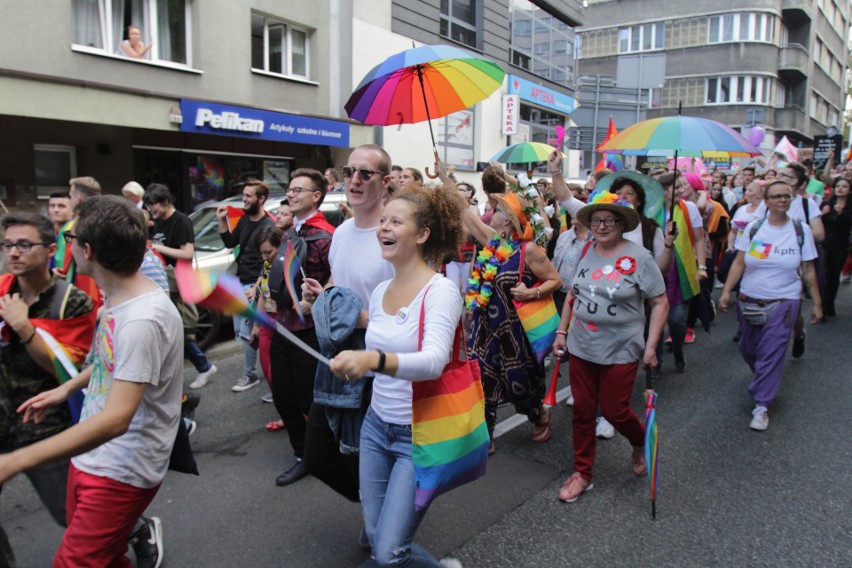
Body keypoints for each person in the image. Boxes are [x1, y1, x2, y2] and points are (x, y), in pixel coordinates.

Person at [0, 196, 183, 566]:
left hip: (123, 468)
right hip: (92, 458)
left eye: (69, 238)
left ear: (87, 250)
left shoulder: (142, 319)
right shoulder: (118, 296)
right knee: (109, 558)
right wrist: (68, 386)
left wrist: (15, 461)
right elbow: (109, 363)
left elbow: (117, 419)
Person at [329, 183, 465, 568]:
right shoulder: (381, 290)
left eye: (395, 221)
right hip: (376, 425)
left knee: (388, 552)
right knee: (375, 536)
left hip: (418, 435)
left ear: (422, 235)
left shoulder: (440, 291)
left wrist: (371, 360)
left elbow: (433, 361)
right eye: (383, 220)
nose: (383, 228)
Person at [552, 191, 668, 503]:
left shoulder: (640, 258)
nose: (602, 226)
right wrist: (562, 331)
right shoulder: (587, 249)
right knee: (583, 412)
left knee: (616, 412)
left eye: (609, 220)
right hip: (581, 346)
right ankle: (583, 473)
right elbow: (574, 295)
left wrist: (652, 346)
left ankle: (639, 439)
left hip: (621, 349)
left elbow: (659, 302)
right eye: (597, 220)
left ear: (621, 224)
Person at [301, 144, 395, 510]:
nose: (354, 180)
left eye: (365, 174)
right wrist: (320, 298)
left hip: (377, 363)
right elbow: (338, 286)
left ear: (385, 182)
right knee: (318, 456)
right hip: (337, 356)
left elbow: (414, 313)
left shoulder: (396, 236)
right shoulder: (340, 233)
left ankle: (383, 518)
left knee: (366, 456)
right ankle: (379, 507)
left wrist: (361, 319)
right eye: (349, 172)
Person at [0, 213, 97, 567]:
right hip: (1, 419)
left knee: (69, 515)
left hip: (45, 425)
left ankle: (136, 530)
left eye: (24, 244)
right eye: (8, 244)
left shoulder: (72, 302)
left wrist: (24, 327)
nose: (13, 253)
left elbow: (65, 371)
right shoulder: (1, 289)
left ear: (49, 249)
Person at [460, 184, 562, 451]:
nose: (489, 213)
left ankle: (538, 414)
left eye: (496, 210)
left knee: (522, 386)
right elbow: (466, 215)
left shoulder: (528, 250)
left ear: (508, 219)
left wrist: (532, 291)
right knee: (483, 380)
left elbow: (556, 281)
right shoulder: (493, 242)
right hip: (486, 329)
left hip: (516, 332)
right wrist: (447, 180)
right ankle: (487, 435)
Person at [719, 181, 822, 431]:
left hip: (785, 301)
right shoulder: (754, 228)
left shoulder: (801, 230)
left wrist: (817, 303)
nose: (782, 200)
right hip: (749, 299)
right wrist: (725, 292)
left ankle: (762, 405)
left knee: (771, 353)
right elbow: (740, 263)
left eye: (786, 196)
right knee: (749, 349)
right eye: (776, 197)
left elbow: (808, 270)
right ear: (766, 201)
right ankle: (765, 378)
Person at [269, 169, 334, 487]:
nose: (291, 194)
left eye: (298, 190)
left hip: (309, 330)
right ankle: (302, 454)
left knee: (308, 397)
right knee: (282, 394)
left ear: (316, 196)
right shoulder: (288, 232)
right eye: (290, 189)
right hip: (282, 325)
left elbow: (339, 280)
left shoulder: (326, 236)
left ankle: (319, 453)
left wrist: (317, 300)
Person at [145, 183, 218, 390]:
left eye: (154, 205)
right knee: (171, 331)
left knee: (181, 331)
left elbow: (186, 254)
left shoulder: (181, 221)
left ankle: (204, 367)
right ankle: (202, 367)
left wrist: (157, 246)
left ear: (166, 202)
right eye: (149, 206)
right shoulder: (159, 221)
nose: (152, 209)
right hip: (165, 281)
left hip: (179, 281)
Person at [756, 162, 825, 358]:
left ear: (794, 181)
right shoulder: (767, 203)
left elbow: (819, 234)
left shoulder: (806, 204)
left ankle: (797, 333)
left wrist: (791, 230)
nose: (776, 176)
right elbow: (758, 230)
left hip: (794, 264)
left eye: (782, 174)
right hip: (768, 261)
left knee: (793, 308)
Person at [217, 180, 274, 392]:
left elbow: (268, 261)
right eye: (244, 195)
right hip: (240, 283)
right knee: (244, 334)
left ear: (261, 199)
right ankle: (261, 374)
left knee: (250, 333)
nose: (244, 199)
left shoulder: (268, 226)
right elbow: (230, 243)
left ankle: (253, 375)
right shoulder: (243, 221)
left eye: (249, 196)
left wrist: (257, 289)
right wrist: (222, 221)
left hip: (253, 286)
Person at [657, 173, 706, 372]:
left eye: (680, 187)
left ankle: (678, 347)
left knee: (677, 320)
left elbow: (699, 239)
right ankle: (656, 361)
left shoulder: (689, 208)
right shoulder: (652, 210)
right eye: (675, 187)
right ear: (663, 190)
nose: (680, 191)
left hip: (681, 272)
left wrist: (702, 267)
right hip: (658, 271)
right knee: (655, 321)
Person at [54, 177, 103, 309]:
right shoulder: (106, 220)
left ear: (79, 198)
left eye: (70, 196)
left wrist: (57, 272)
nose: (70, 200)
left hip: (81, 289)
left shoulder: (71, 227)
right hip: (105, 288)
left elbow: (65, 255)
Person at [819, 177, 852, 317]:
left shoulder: (850, 207)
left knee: (834, 275)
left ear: (849, 190)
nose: (840, 188)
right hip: (825, 244)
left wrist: (841, 214)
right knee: (824, 273)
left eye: (844, 186)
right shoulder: (827, 204)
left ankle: (829, 304)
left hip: (841, 245)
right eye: (838, 185)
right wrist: (822, 214)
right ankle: (820, 304)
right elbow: (817, 221)